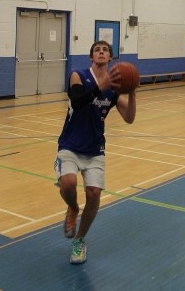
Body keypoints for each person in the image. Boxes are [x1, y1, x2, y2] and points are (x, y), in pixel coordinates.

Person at [54, 40, 136, 264]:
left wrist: (132, 93)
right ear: (91, 57)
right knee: (69, 184)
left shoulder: (113, 90)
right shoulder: (78, 75)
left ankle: (79, 240)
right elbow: (77, 101)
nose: (101, 52)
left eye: (105, 50)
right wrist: (101, 86)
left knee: (94, 194)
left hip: (95, 148)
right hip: (70, 144)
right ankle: (72, 208)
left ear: (110, 58)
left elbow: (129, 118)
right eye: (97, 50)